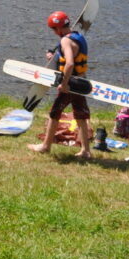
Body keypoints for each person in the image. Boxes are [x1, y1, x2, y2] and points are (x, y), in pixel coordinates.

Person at [28, 10, 92, 159]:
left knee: (54, 113)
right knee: (81, 116)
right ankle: (85, 150)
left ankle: (45, 146)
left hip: (70, 84)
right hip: (81, 82)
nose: (54, 33)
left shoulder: (65, 40)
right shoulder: (79, 37)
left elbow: (69, 63)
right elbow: (71, 56)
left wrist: (63, 84)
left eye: (53, 29)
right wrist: (55, 56)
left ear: (57, 28)